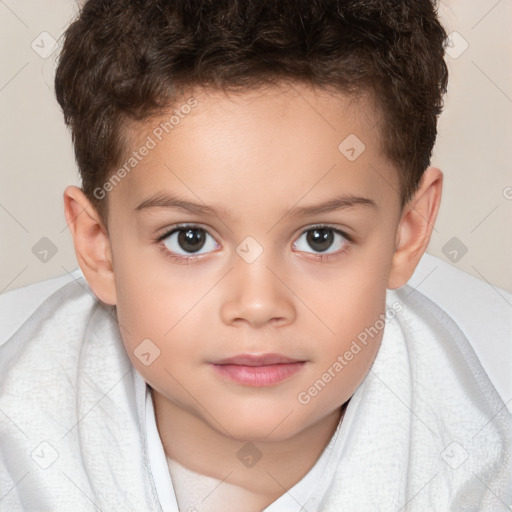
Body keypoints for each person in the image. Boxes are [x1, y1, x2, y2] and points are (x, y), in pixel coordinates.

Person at [0, 1, 511, 510]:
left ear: (408, 232)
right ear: (100, 248)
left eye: (320, 238)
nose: (259, 304)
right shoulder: (19, 441)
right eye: (190, 239)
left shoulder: (483, 462)